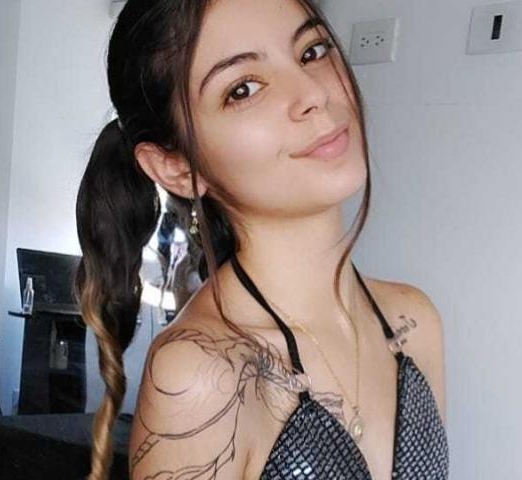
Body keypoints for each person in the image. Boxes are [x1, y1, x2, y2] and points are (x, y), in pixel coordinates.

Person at [74, 0, 449, 479]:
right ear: (175, 166)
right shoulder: (199, 372)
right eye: (243, 89)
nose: (313, 93)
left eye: (312, 51)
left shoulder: (413, 321)